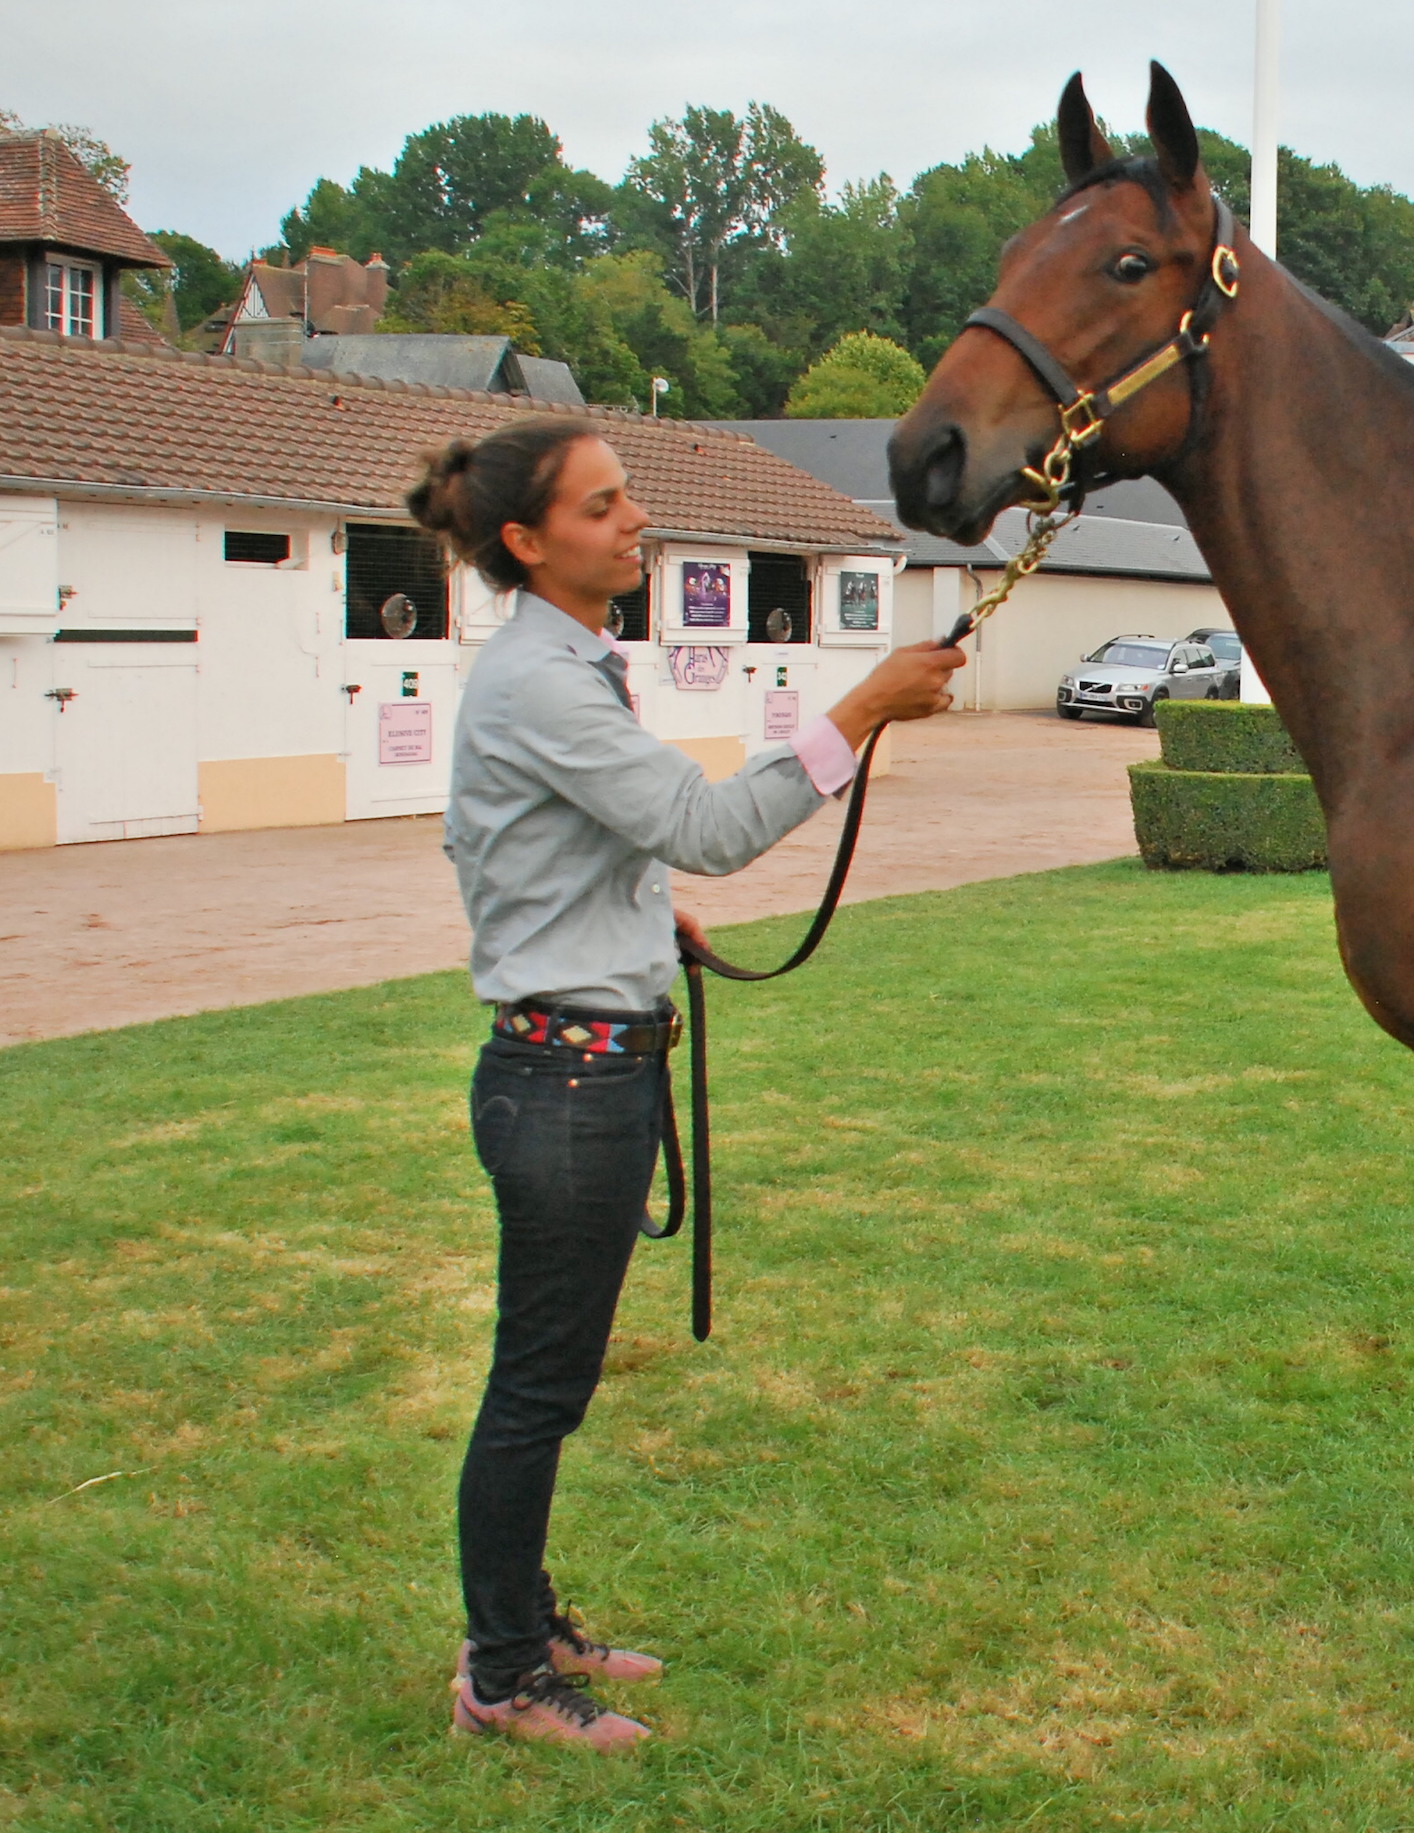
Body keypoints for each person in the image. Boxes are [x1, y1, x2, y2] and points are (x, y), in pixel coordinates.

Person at [413, 420, 961, 1747]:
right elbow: (707, 826)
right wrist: (863, 708)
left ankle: (521, 1620)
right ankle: (501, 1674)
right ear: (529, 543)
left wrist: (635, 921)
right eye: (603, 507)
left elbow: (538, 842)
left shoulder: (564, 664)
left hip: (576, 1065)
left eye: (627, 495)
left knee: (552, 1378)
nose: (635, 518)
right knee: (537, 1387)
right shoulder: (541, 680)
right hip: (560, 1085)